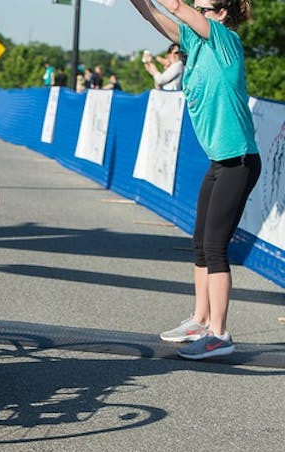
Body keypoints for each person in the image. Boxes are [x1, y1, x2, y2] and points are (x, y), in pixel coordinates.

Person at [129, 0, 260, 360]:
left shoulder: (226, 41)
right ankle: (201, 320)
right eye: (197, 8)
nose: (198, 13)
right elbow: (152, 12)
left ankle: (220, 334)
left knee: (216, 247)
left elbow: (174, 5)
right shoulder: (196, 45)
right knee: (200, 243)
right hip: (220, 162)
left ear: (223, 15)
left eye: (205, 8)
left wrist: (183, 7)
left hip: (239, 162)